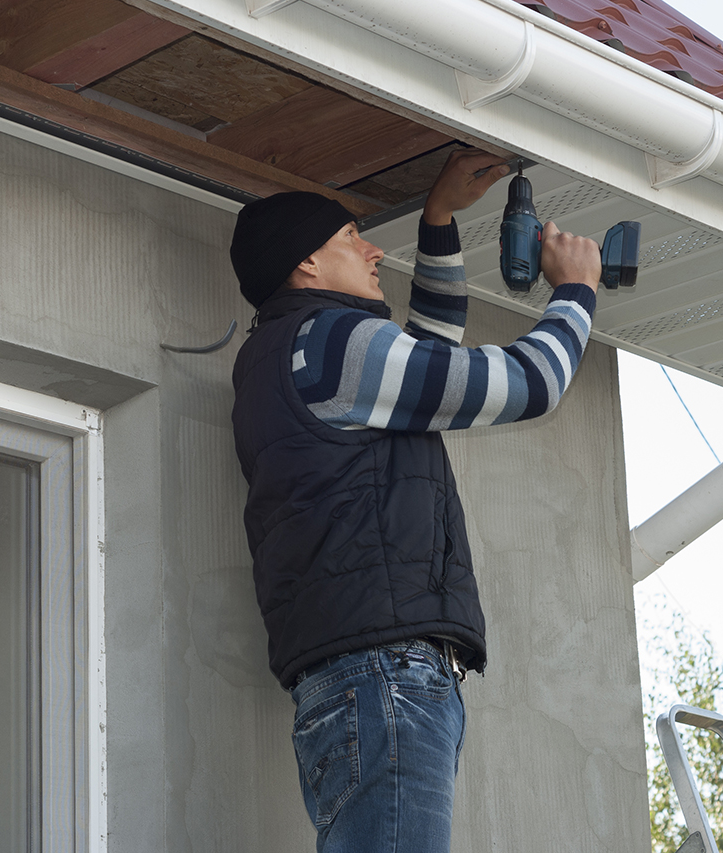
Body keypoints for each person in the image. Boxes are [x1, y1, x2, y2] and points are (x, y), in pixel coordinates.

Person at [229, 149, 603, 852]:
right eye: (349, 239)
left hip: (357, 677)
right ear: (306, 265)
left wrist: (439, 219)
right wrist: (575, 294)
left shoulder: (286, 355)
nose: (373, 251)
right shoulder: (331, 342)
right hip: (384, 676)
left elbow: (426, 366)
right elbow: (524, 384)